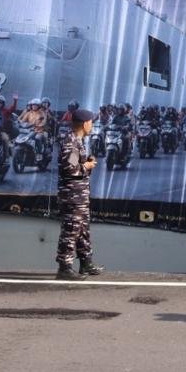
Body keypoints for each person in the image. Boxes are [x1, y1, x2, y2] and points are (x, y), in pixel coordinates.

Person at [56, 108, 104, 280]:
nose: (92, 126)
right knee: (71, 230)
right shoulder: (71, 142)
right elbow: (70, 169)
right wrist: (86, 166)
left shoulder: (78, 141)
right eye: (91, 122)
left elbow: (76, 166)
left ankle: (86, 263)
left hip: (79, 195)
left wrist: (86, 163)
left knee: (82, 230)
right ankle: (64, 268)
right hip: (72, 196)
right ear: (85, 124)